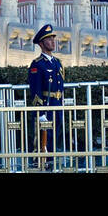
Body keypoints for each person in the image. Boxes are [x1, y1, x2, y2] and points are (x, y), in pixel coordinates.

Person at [26, 23, 64, 167]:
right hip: (46, 107)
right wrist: (40, 112)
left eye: (53, 38)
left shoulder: (57, 63)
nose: (53, 42)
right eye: (49, 39)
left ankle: (51, 164)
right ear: (41, 43)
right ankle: (39, 165)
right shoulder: (37, 64)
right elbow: (35, 90)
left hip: (57, 106)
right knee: (42, 140)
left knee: (55, 138)